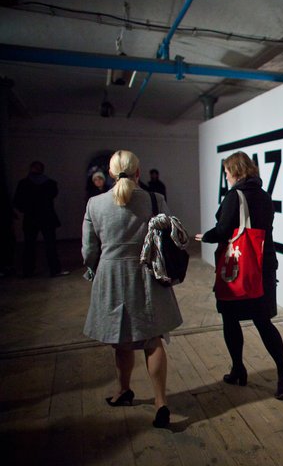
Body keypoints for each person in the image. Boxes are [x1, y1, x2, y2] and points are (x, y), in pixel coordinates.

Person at [82, 150, 183, 428]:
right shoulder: (155, 199)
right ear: (138, 172)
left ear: (110, 174)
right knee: (153, 340)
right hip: (147, 274)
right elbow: (170, 237)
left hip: (112, 276)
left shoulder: (94, 204)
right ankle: (161, 402)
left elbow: (89, 250)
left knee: (121, 338)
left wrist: (94, 268)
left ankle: (124, 391)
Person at [195, 151, 283, 399]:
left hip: (239, 268)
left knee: (230, 318)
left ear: (235, 171)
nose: (226, 177)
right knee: (263, 321)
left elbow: (223, 230)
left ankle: (238, 369)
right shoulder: (264, 195)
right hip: (263, 266)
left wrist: (204, 237)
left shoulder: (234, 196)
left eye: (227, 172)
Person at [12, 161, 69, 277]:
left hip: (31, 217)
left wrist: (26, 209)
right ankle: (53, 269)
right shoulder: (50, 183)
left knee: (30, 245)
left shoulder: (24, 184)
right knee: (48, 245)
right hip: (45, 217)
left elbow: (17, 201)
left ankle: (28, 270)